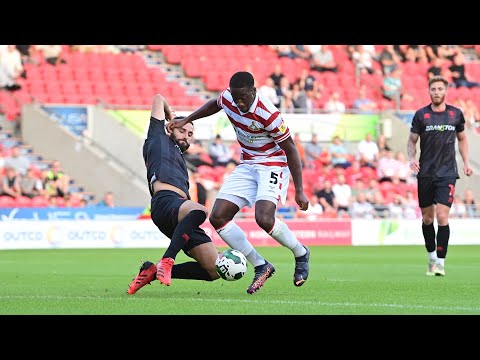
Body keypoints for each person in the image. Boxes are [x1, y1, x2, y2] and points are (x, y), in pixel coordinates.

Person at [168, 71, 311, 294]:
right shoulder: (229, 98)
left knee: (264, 218)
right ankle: (261, 265)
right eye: (235, 98)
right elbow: (215, 104)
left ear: (253, 91)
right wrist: (187, 119)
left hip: (271, 163)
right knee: (218, 217)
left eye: (243, 97)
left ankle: (301, 253)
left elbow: (291, 149)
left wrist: (299, 190)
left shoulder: (269, 115)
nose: (239, 102)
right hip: (248, 163)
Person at [127, 93, 220, 295]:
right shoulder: (157, 138)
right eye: (183, 130)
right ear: (170, 129)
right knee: (200, 211)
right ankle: (167, 260)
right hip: (166, 202)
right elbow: (158, 98)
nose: (187, 135)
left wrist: (179, 124)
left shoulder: (179, 156)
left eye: (190, 133)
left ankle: (152, 272)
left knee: (215, 269)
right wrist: (171, 118)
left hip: (181, 213)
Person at [407, 75, 473, 277]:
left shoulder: (455, 114)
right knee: (428, 219)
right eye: (433, 89)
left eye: (440, 89)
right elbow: (412, 141)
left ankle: (441, 263)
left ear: (446, 91)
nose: (436, 92)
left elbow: (462, 139)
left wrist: (467, 162)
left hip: (447, 173)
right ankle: (431, 258)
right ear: (429, 91)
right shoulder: (421, 115)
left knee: (443, 216)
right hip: (426, 173)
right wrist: (412, 158)